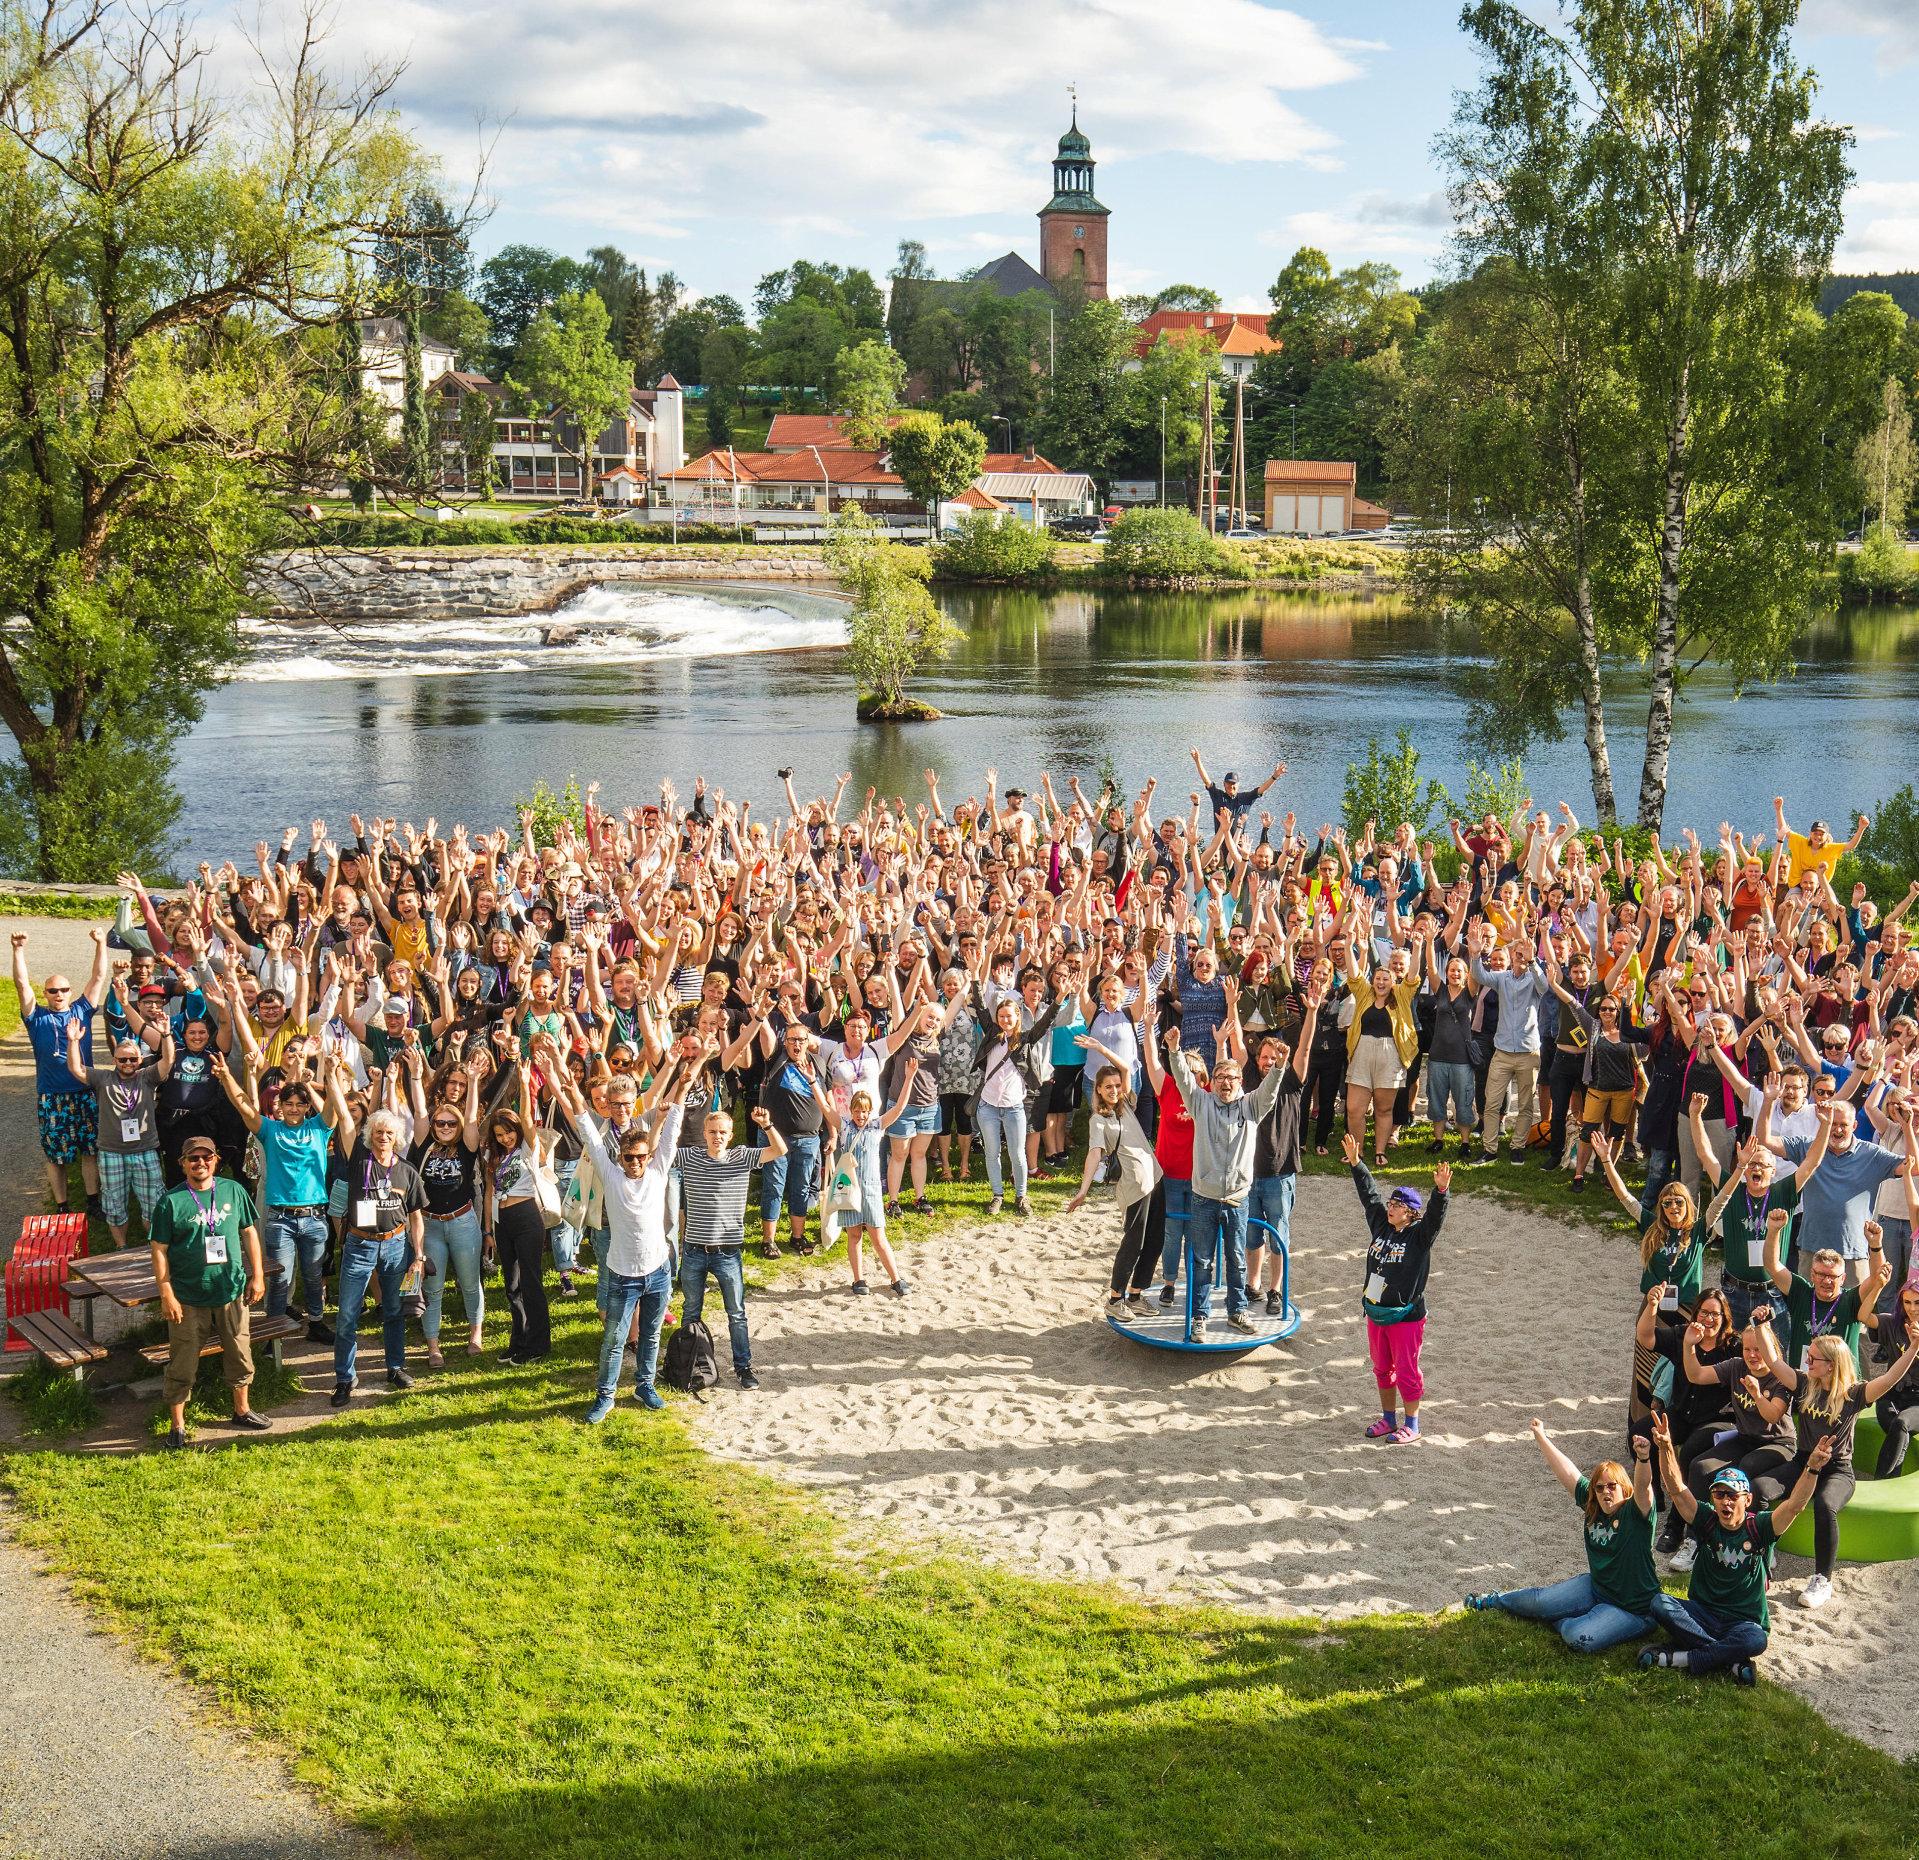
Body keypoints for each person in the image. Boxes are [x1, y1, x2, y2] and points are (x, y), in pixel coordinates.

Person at [1643, 1413, 1830, 1684]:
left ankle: (1687, 1658)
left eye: (1733, 1495)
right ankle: (1730, 1659)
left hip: (1742, 1622)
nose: (1725, 1501)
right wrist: (1666, 1447)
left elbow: (1795, 1505)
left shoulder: (1761, 1527)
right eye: (1719, 1495)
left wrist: (1812, 1469)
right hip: (1702, 1612)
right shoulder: (1707, 1519)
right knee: (1660, 1603)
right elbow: (1676, 1488)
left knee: (1756, 1639)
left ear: (1748, 1499)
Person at [1757, 1320, 1919, 1607]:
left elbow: (1891, 1377)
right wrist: (1761, 1324)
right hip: (1802, 1462)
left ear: (1831, 1364)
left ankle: (1822, 1579)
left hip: (1838, 1470)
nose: (1807, 1360)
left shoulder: (1855, 1394)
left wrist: (1915, 1346)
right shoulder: (1804, 1383)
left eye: (1813, 1358)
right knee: (1758, 1489)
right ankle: (1760, 1560)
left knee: (1825, 1505)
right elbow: (1772, 1360)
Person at [567, 1055, 692, 1421]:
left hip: (657, 1271)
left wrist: (683, 1083)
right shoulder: (610, 1174)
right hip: (621, 1274)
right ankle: (605, 1395)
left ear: (649, 1156)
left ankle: (644, 1385)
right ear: (619, 1157)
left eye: (641, 1157)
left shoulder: (658, 1172)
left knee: (651, 1335)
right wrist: (566, 1079)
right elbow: (585, 1126)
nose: (635, 1162)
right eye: (629, 1157)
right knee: (613, 1339)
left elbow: (673, 1127)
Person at [1463, 1420, 1659, 1652]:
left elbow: (1644, 1487)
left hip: (1634, 1610)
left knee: (1579, 1638)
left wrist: (1643, 1458)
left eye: (1612, 1486)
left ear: (1624, 1489)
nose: (1605, 1491)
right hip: (1596, 1587)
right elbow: (1567, 1472)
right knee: (1540, 1601)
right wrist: (1541, 1437)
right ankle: (1493, 1600)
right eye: (1599, 1487)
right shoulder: (1593, 1505)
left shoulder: (1636, 1512)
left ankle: (1561, 1620)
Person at [1168, 1020, 1291, 1338]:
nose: (1225, 1082)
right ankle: (1199, 1316)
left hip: (1237, 1197)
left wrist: (1278, 1068)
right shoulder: (1200, 1103)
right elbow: (1183, 1078)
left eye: (1232, 1077)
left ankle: (1237, 1312)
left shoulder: (1251, 1106)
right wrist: (1174, 1050)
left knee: (1236, 1261)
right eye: (1220, 1076)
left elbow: (1269, 1091)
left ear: (1240, 1081)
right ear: (1211, 1082)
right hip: (1204, 1196)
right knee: (1202, 1260)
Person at [148, 1134, 271, 1451]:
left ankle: (241, 1410)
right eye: (193, 1158)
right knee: (183, 1362)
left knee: (240, 1353)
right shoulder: (171, 1202)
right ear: (183, 1164)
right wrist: (166, 1291)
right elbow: (159, 1248)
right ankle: (177, 1426)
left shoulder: (233, 1190)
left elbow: (248, 1233)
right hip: (188, 1297)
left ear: (216, 1160)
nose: (200, 1163)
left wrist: (257, 1276)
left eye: (206, 1157)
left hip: (231, 1291)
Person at [213, 1051, 337, 1344]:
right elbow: (244, 1108)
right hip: (280, 1218)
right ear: (279, 1106)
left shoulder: (319, 1128)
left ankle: (316, 1323)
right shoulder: (270, 1130)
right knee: (279, 1279)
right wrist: (227, 1076)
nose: (293, 1109)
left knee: (312, 1275)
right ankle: (274, 1333)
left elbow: (333, 1106)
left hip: (315, 1216)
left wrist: (330, 1072)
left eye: (299, 1104)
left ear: (307, 1107)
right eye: (288, 1104)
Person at [1343, 1135, 1450, 1443]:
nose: (1389, 1208)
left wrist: (1441, 1191)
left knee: (1407, 1371)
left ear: (1411, 1212)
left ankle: (1412, 1425)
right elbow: (1369, 1196)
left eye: (1397, 1206)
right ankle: (1389, 1419)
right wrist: (1356, 1163)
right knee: (1382, 1369)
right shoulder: (1381, 1226)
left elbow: (1435, 1218)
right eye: (1390, 1204)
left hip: (1406, 1316)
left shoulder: (1419, 1236)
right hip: (1376, 1312)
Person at [677, 1102, 787, 1390]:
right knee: (691, 1312)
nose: (717, 1137)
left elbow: (780, 1150)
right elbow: (659, 1154)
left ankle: (743, 1367)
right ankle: (689, 1364)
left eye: (722, 1132)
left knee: (736, 1313)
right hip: (694, 1248)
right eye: (712, 1132)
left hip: (727, 1251)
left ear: (731, 1133)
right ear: (704, 1133)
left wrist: (766, 1125)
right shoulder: (690, 1157)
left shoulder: (742, 1156)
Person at [329, 1102, 427, 1406]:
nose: (383, 1137)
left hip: (397, 1246)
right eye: (378, 1132)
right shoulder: (359, 1161)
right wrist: (332, 1078)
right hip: (360, 1246)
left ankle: (395, 1367)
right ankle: (345, 1378)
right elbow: (345, 1120)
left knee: (394, 1310)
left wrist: (419, 1254)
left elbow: (416, 1217)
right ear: (370, 1135)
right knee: (347, 1314)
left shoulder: (407, 1170)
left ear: (397, 1138)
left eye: (389, 1133)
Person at [12, 926, 110, 1215]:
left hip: (84, 1091)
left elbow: (98, 977)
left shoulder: (82, 1010)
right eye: (52, 990)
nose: (59, 994)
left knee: (90, 1151)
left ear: (70, 991)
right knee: (56, 1156)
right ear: (45, 993)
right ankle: (62, 1206)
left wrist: (101, 943)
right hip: (52, 1096)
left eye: (64, 989)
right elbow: (20, 984)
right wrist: (18, 949)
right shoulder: (36, 1016)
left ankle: (93, 1201)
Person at [1065, 1054, 1162, 1320]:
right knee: (1134, 1242)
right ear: (1098, 1089)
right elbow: (1094, 1154)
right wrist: (1083, 1190)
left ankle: (1136, 1295)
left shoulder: (1127, 1105)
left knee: (1155, 1241)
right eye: (1108, 1086)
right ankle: (1115, 1298)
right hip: (1135, 1185)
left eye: (1117, 1085)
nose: (1115, 1090)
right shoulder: (1099, 1119)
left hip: (1155, 1177)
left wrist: (1100, 1048)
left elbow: (1126, 1067)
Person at [68, 1021, 171, 1247]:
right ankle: (121, 1248)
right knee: (114, 1205)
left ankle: (153, 1248)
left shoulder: (147, 1077)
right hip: (111, 1153)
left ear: (140, 1060)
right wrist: (73, 1041)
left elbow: (168, 1061)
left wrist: (166, 1035)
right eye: (122, 1059)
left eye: (132, 1059)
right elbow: (76, 1069)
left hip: (145, 1151)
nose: (127, 1063)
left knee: (154, 1204)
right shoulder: (103, 1078)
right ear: (114, 1060)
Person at [409, 1066, 485, 1366]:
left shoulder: (467, 1147)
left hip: (463, 1221)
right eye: (439, 1121)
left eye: (451, 1122)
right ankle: (433, 1345)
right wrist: (415, 1076)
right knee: (433, 1287)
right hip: (430, 1225)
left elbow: (473, 1118)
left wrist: (475, 1081)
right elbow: (418, 1109)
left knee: (469, 1282)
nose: (444, 1126)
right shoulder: (425, 1142)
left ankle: (475, 1334)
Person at [822, 1066, 919, 1297]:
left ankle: (896, 1278)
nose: (861, 1115)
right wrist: (814, 1083)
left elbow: (900, 1107)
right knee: (854, 1235)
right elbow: (826, 1108)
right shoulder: (844, 1127)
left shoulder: (877, 1126)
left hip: (872, 1190)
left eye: (865, 1111)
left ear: (870, 1111)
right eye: (857, 1110)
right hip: (850, 1190)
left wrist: (908, 1078)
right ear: (851, 1110)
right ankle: (858, 1279)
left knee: (878, 1235)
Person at [1865, 1282, 1919, 1479]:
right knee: (1894, 1425)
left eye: (1917, 1302)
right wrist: (1877, 1285)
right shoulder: (1892, 1323)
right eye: (1907, 1302)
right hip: (1892, 1395)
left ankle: (1883, 1480)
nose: (1912, 1309)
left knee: (1901, 1423)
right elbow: (1863, 1316)